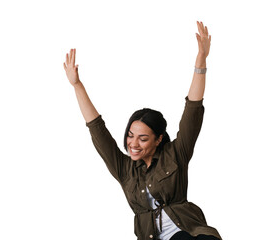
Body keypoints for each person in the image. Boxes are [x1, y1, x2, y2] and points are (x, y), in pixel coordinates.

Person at [63, 21, 222, 240]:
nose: (133, 143)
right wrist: (77, 85)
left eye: (143, 138)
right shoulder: (124, 169)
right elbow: (97, 129)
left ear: (158, 140)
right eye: (130, 135)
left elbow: (192, 111)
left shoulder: (176, 154)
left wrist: (201, 61)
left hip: (187, 231)